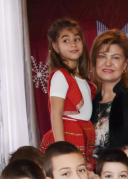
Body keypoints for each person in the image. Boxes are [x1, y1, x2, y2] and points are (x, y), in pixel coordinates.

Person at [40, 19, 96, 169]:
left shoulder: (82, 78)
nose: (73, 44)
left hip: (82, 132)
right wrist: (61, 149)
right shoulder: (60, 75)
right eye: (66, 40)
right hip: (68, 134)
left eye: (76, 39)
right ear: (55, 47)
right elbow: (56, 114)